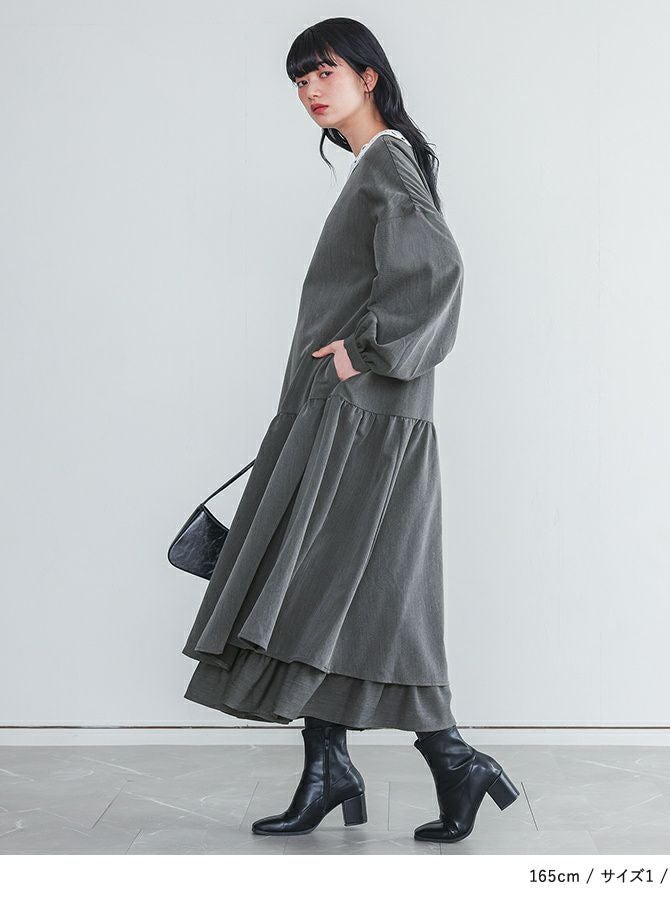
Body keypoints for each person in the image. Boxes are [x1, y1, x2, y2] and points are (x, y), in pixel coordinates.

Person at [180, 17, 518, 843]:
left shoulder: (388, 162)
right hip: (345, 413)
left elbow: (438, 271)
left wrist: (360, 352)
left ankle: (444, 758)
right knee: (326, 586)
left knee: (334, 584)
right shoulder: (375, 165)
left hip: (362, 417)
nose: (310, 90)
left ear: (368, 76)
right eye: (300, 80)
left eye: (323, 72)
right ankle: (345, 766)